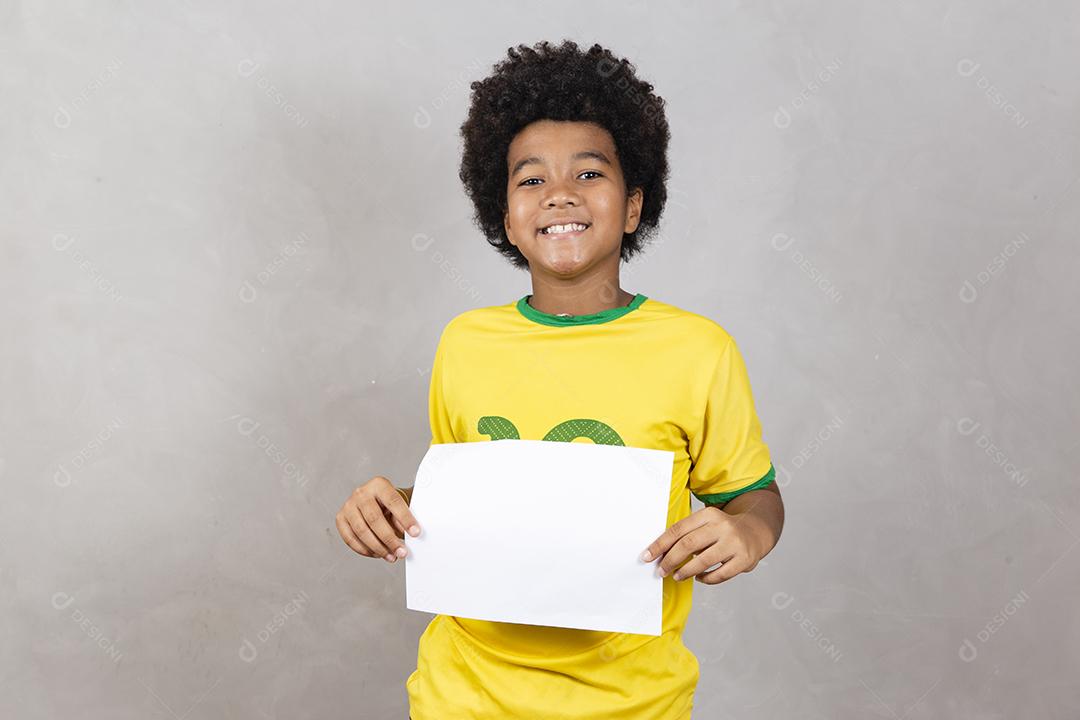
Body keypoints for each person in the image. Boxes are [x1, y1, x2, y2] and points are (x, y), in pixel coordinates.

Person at [335, 39, 785, 720]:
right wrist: (387, 505)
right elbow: (464, 501)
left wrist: (747, 535)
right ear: (506, 217)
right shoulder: (465, 343)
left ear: (633, 207)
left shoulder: (697, 349)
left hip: (633, 704)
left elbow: (755, 498)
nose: (560, 195)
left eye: (589, 174)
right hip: (461, 699)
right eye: (531, 180)